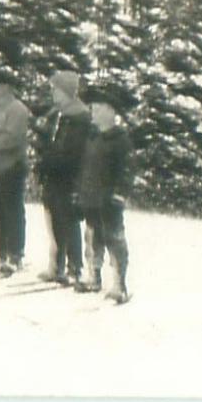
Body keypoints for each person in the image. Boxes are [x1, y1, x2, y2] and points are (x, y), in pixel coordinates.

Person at [33, 70, 91, 286]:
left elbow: (73, 153)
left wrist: (51, 161)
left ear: (68, 92)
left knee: (68, 222)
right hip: (55, 176)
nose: (54, 95)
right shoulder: (60, 115)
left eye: (56, 90)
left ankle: (74, 268)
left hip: (68, 178)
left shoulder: (79, 117)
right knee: (55, 220)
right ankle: (57, 266)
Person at [74, 98, 131, 304]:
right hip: (91, 197)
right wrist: (78, 190)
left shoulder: (120, 139)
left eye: (97, 109)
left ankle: (119, 284)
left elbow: (126, 171)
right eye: (92, 109)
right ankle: (93, 276)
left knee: (114, 239)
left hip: (109, 200)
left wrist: (120, 192)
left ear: (110, 110)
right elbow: (84, 167)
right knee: (92, 236)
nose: (93, 114)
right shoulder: (92, 137)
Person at [0, 74, 30, 274]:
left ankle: (15, 255)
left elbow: (13, 138)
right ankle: (1, 254)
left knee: (13, 211)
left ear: (6, 87)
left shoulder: (17, 109)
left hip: (12, 166)